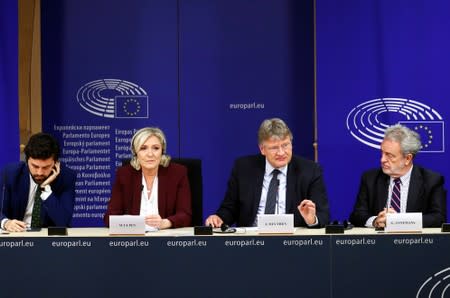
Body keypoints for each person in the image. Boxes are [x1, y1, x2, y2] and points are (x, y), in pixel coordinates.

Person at [205, 118, 329, 228]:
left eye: (285, 145)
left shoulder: (310, 170)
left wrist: (311, 219)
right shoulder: (243, 168)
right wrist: (219, 218)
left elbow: (323, 215)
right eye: (274, 148)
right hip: (251, 243)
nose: (281, 153)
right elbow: (230, 208)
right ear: (262, 149)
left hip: (293, 242)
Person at [350, 124, 446, 228]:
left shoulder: (432, 180)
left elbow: (438, 218)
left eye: (389, 155)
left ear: (408, 159)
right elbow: (357, 216)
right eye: (382, 153)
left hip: (416, 242)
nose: (382, 160)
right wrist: (375, 221)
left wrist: (399, 221)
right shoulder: (370, 178)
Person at [104, 127, 191, 229]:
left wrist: (165, 223)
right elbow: (109, 218)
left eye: (156, 148)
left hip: (166, 237)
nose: (150, 154)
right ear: (136, 153)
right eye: (143, 148)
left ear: (162, 151)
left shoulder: (177, 173)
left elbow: (185, 215)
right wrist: (134, 223)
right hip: (134, 238)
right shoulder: (124, 174)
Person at [0, 132, 76, 232]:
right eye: (35, 166)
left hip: (48, 240)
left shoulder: (66, 177)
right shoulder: (11, 173)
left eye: (46, 167)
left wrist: (46, 190)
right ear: (27, 161)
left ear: (56, 163)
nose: (39, 172)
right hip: (17, 236)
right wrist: (5, 222)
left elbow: (64, 222)